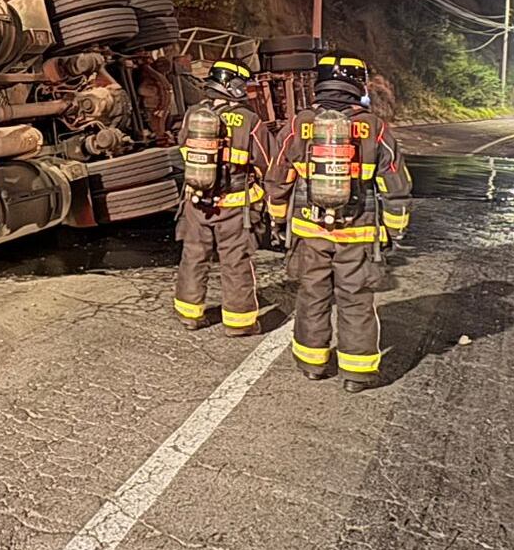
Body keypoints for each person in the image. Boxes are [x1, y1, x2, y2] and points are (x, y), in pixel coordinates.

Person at [266, 53, 411, 392]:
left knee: (312, 295)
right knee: (356, 298)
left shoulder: (299, 123)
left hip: (308, 231)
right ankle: (356, 374)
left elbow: (278, 176)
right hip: (358, 231)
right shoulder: (374, 127)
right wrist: (395, 228)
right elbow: (395, 181)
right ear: (356, 84)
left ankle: (312, 364)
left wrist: (276, 218)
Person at [174, 60, 272, 336]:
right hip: (234, 206)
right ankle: (239, 323)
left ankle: (189, 314)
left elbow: (183, 148)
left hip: (196, 202)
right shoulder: (249, 120)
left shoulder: (193, 113)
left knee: (193, 256)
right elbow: (266, 162)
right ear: (236, 86)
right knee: (235, 261)